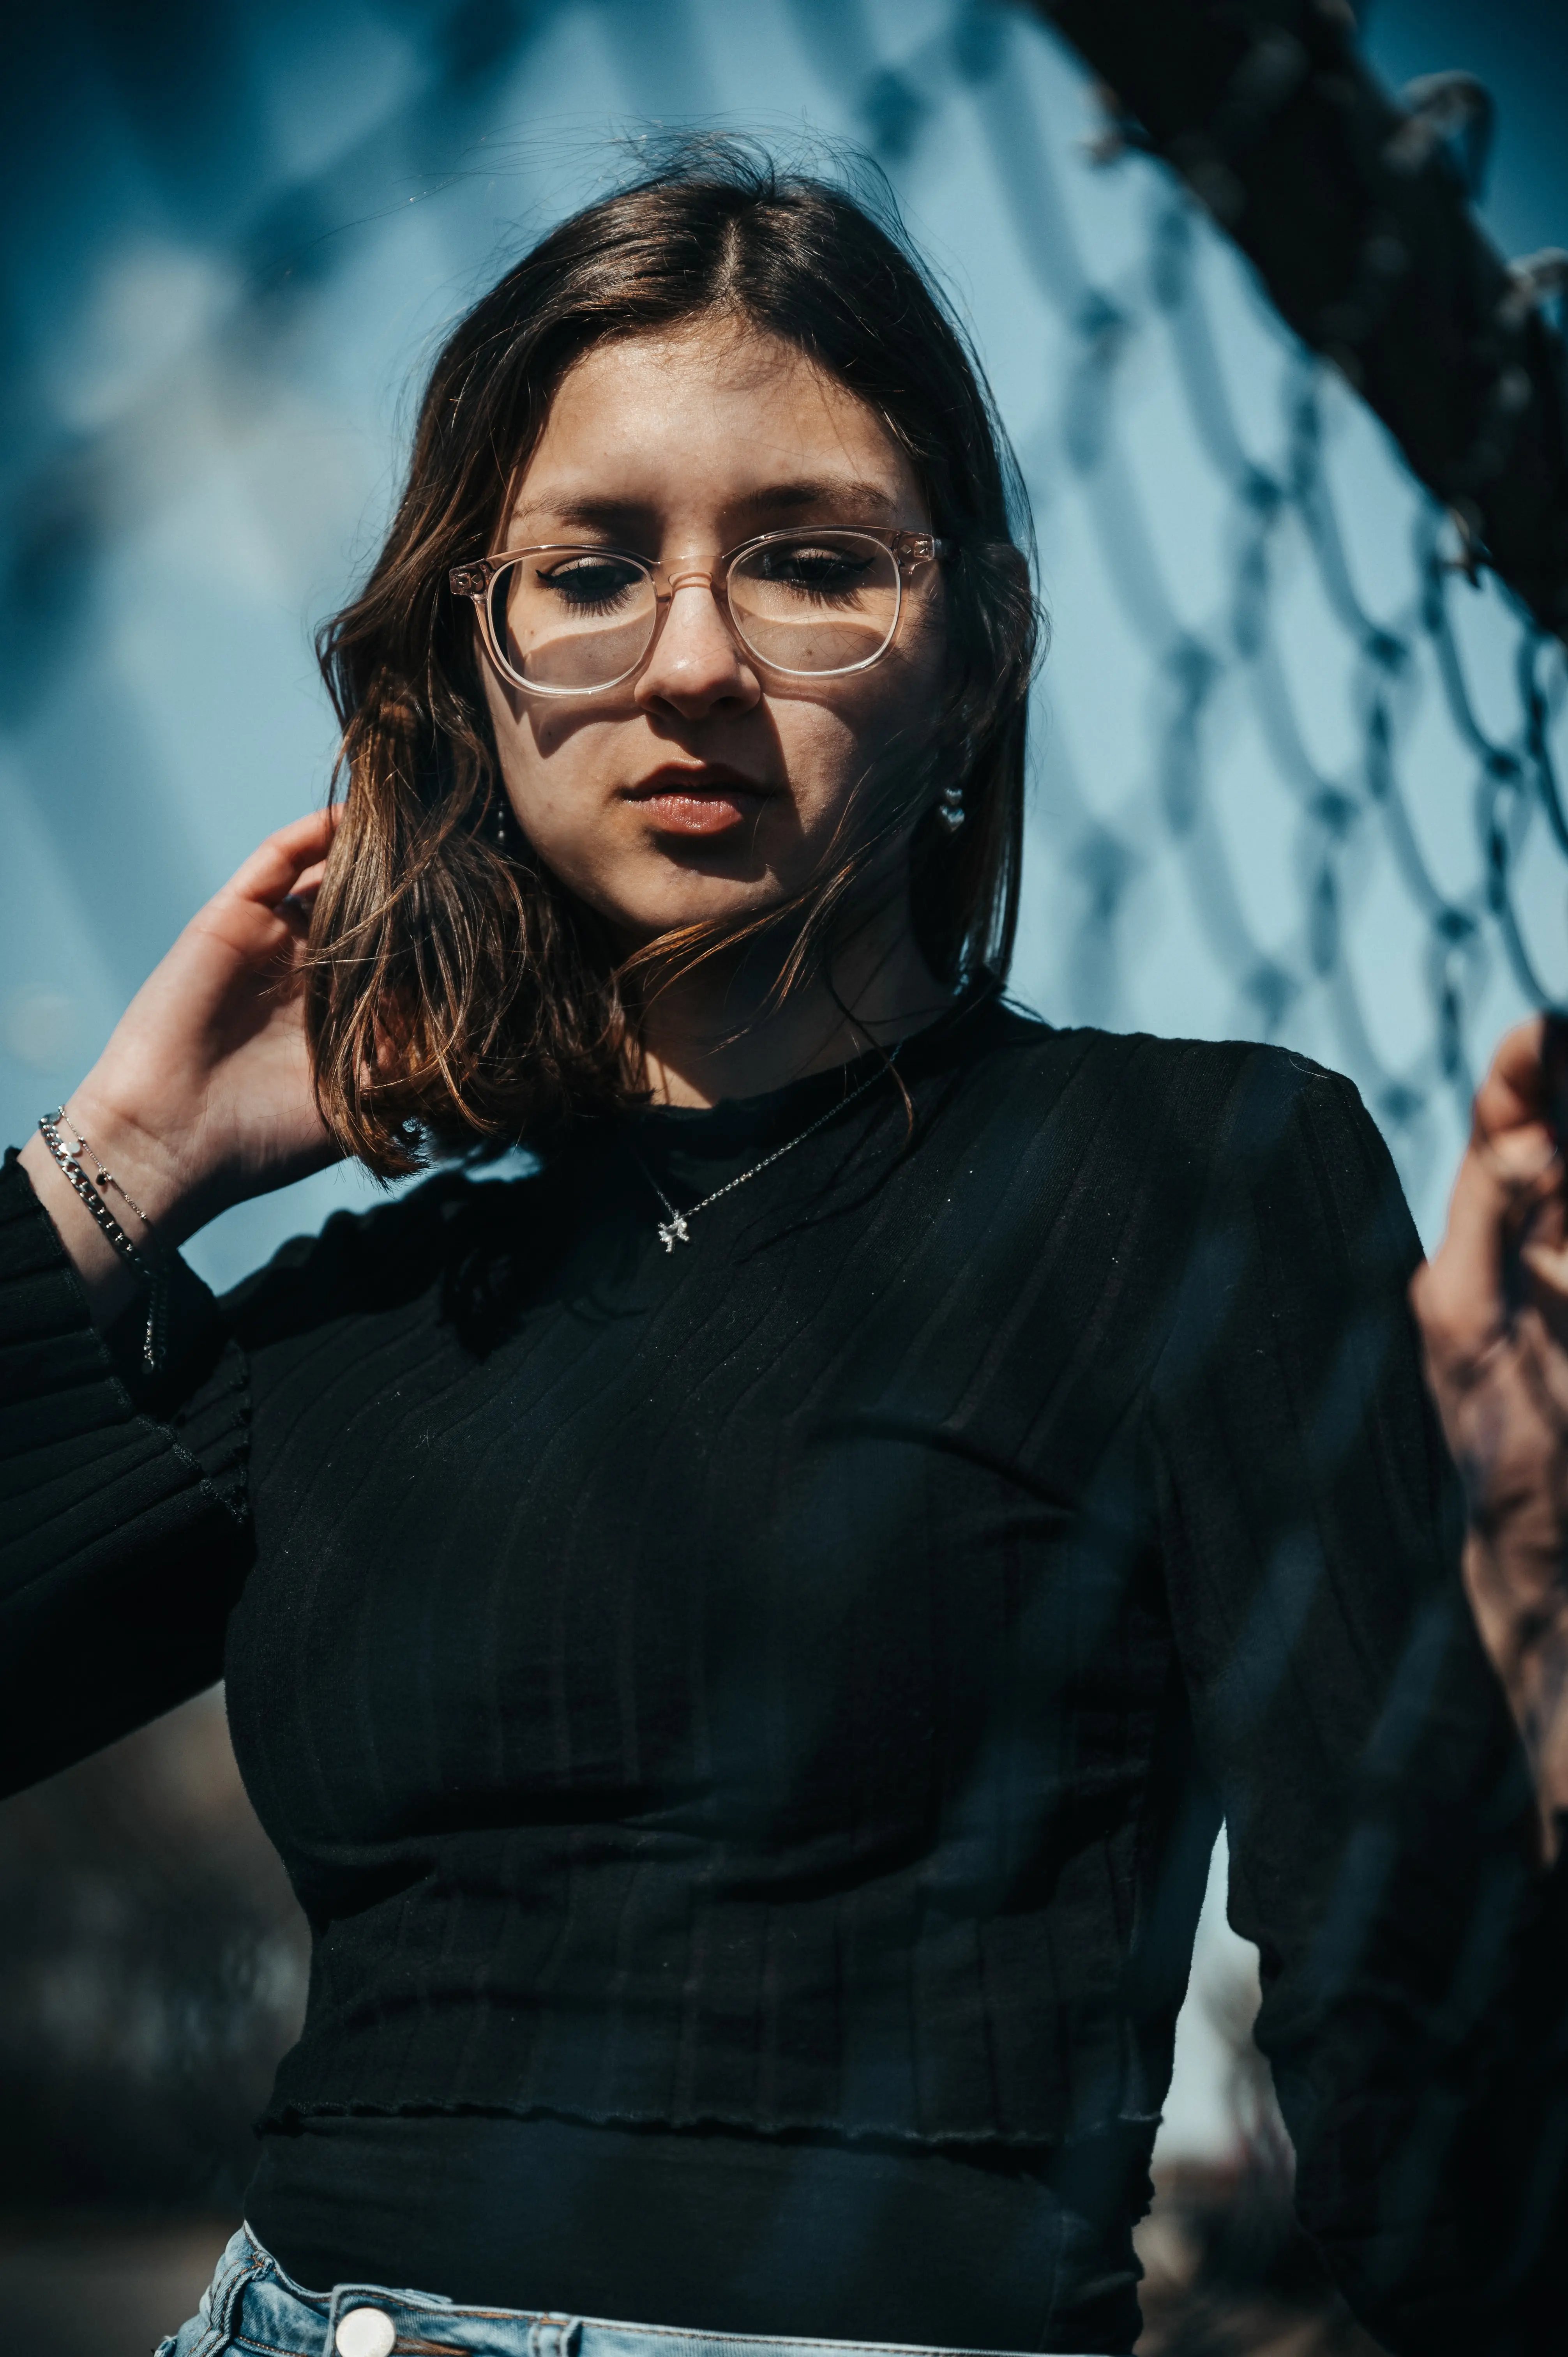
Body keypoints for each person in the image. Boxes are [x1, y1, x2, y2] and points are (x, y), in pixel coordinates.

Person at [0, 144, 1540, 2357]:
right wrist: (129, 1153)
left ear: (977, 646)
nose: (694, 664)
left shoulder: (1202, 1178)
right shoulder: (371, 1308)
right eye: (589, 569)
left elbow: (1405, 1983)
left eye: (813, 565)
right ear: (477, 648)